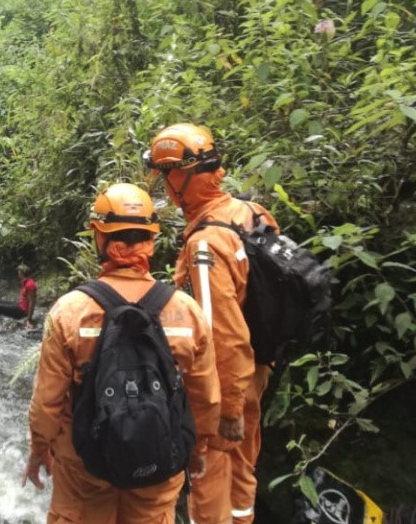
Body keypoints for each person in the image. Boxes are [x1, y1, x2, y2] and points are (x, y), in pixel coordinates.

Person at [21, 183, 220, 524]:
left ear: (99, 237)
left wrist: (39, 450)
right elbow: (205, 399)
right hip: (158, 459)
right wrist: (197, 450)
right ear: (152, 240)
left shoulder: (70, 311)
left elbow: (47, 402)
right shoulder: (186, 312)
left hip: (84, 463)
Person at [144, 123, 280, 524]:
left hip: (225, 387)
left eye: (165, 174)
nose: (165, 185)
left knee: (210, 485)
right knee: (242, 474)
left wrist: (229, 409)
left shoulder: (205, 244)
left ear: (182, 174)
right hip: (257, 369)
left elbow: (223, 332)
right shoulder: (250, 212)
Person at [0, 264, 37, 331]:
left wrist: (29, 318)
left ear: (22, 273)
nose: (18, 273)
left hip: (22, 311)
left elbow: (32, 302)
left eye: (19, 272)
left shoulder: (30, 284)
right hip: (20, 305)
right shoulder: (25, 281)